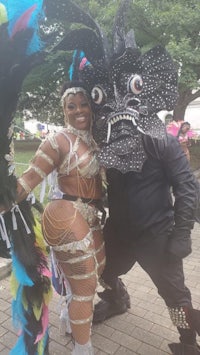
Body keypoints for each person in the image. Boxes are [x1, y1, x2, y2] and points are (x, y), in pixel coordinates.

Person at [1, 81, 105, 355]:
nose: (79, 111)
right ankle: (84, 349)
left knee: (91, 276)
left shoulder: (96, 140)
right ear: (64, 110)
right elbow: (30, 177)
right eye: (72, 106)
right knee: (85, 286)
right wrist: (6, 199)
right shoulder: (58, 140)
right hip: (65, 216)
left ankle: (66, 319)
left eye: (84, 104)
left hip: (93, 217)